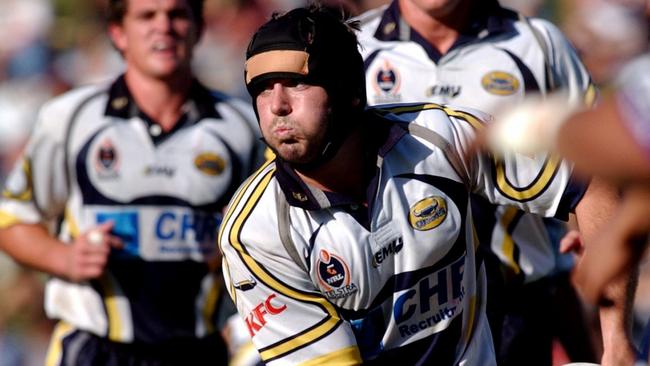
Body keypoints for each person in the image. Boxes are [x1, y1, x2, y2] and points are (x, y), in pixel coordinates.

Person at [218, 5, 627, 365]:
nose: (277, 106)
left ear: (348, 92)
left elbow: (592, 179)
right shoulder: (255, 234)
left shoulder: (437, 137)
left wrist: (618, 344)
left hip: (526, 298)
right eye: (261, 90)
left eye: (298, 83)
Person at [0, 0, 261, 364]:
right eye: (146, 15)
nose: (163, 27)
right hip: (92, 349)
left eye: (177, 14)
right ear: (117, 33)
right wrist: (64, 257)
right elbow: (11, 220)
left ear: (199, 28)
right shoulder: (70, 118)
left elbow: (274, 236)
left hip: (201, 350)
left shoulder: (245, 126)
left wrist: (238, 252)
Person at [354, 0, 602, 364]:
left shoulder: (537, 43)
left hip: (517, 301)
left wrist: (597, 230)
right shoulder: (354, 45)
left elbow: (601, 155)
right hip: (397, 314)